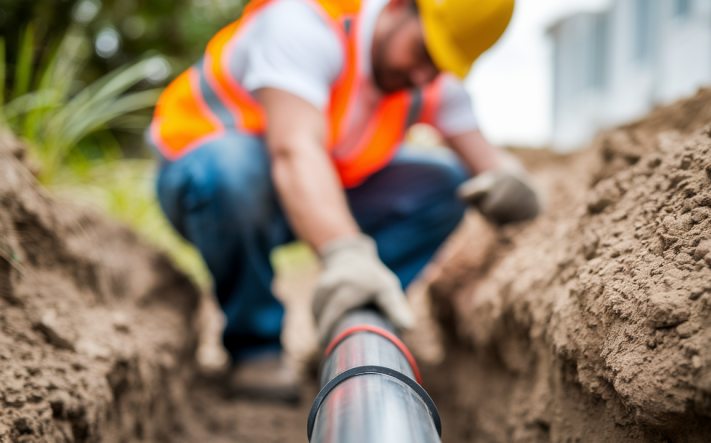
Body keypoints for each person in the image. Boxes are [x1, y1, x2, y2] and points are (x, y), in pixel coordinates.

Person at [150, 0, 540, 402]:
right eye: (423, 51)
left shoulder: (425, 80)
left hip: (316, 190)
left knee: (445, 182)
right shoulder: (305, 24)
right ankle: (256, 347)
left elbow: (489, 161)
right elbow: (295, 149)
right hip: (212, 187)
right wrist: (346, 252)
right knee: (234, 170)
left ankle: (353, 319)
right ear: (398, 7)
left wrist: (512, 183)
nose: (423, 76)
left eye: (440, 66)